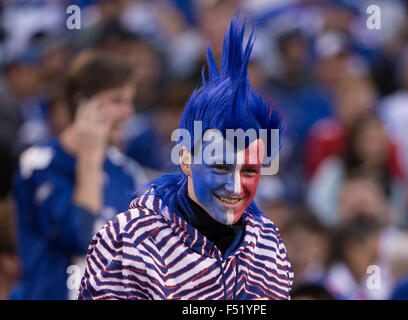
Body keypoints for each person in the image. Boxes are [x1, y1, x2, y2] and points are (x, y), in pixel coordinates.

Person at [77, 15, 293, 300]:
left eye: (249, 171)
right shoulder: (128, 240)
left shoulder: (267, 242)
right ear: (186, 159)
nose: (235, 185)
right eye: (221, 166)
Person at [12, 51, 148, 299]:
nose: (128, 112)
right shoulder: (40, 165)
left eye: (130, 101)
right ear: (82, 103)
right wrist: (89, 160)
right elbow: (82, 239)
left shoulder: (128, 172)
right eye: (117, 101)